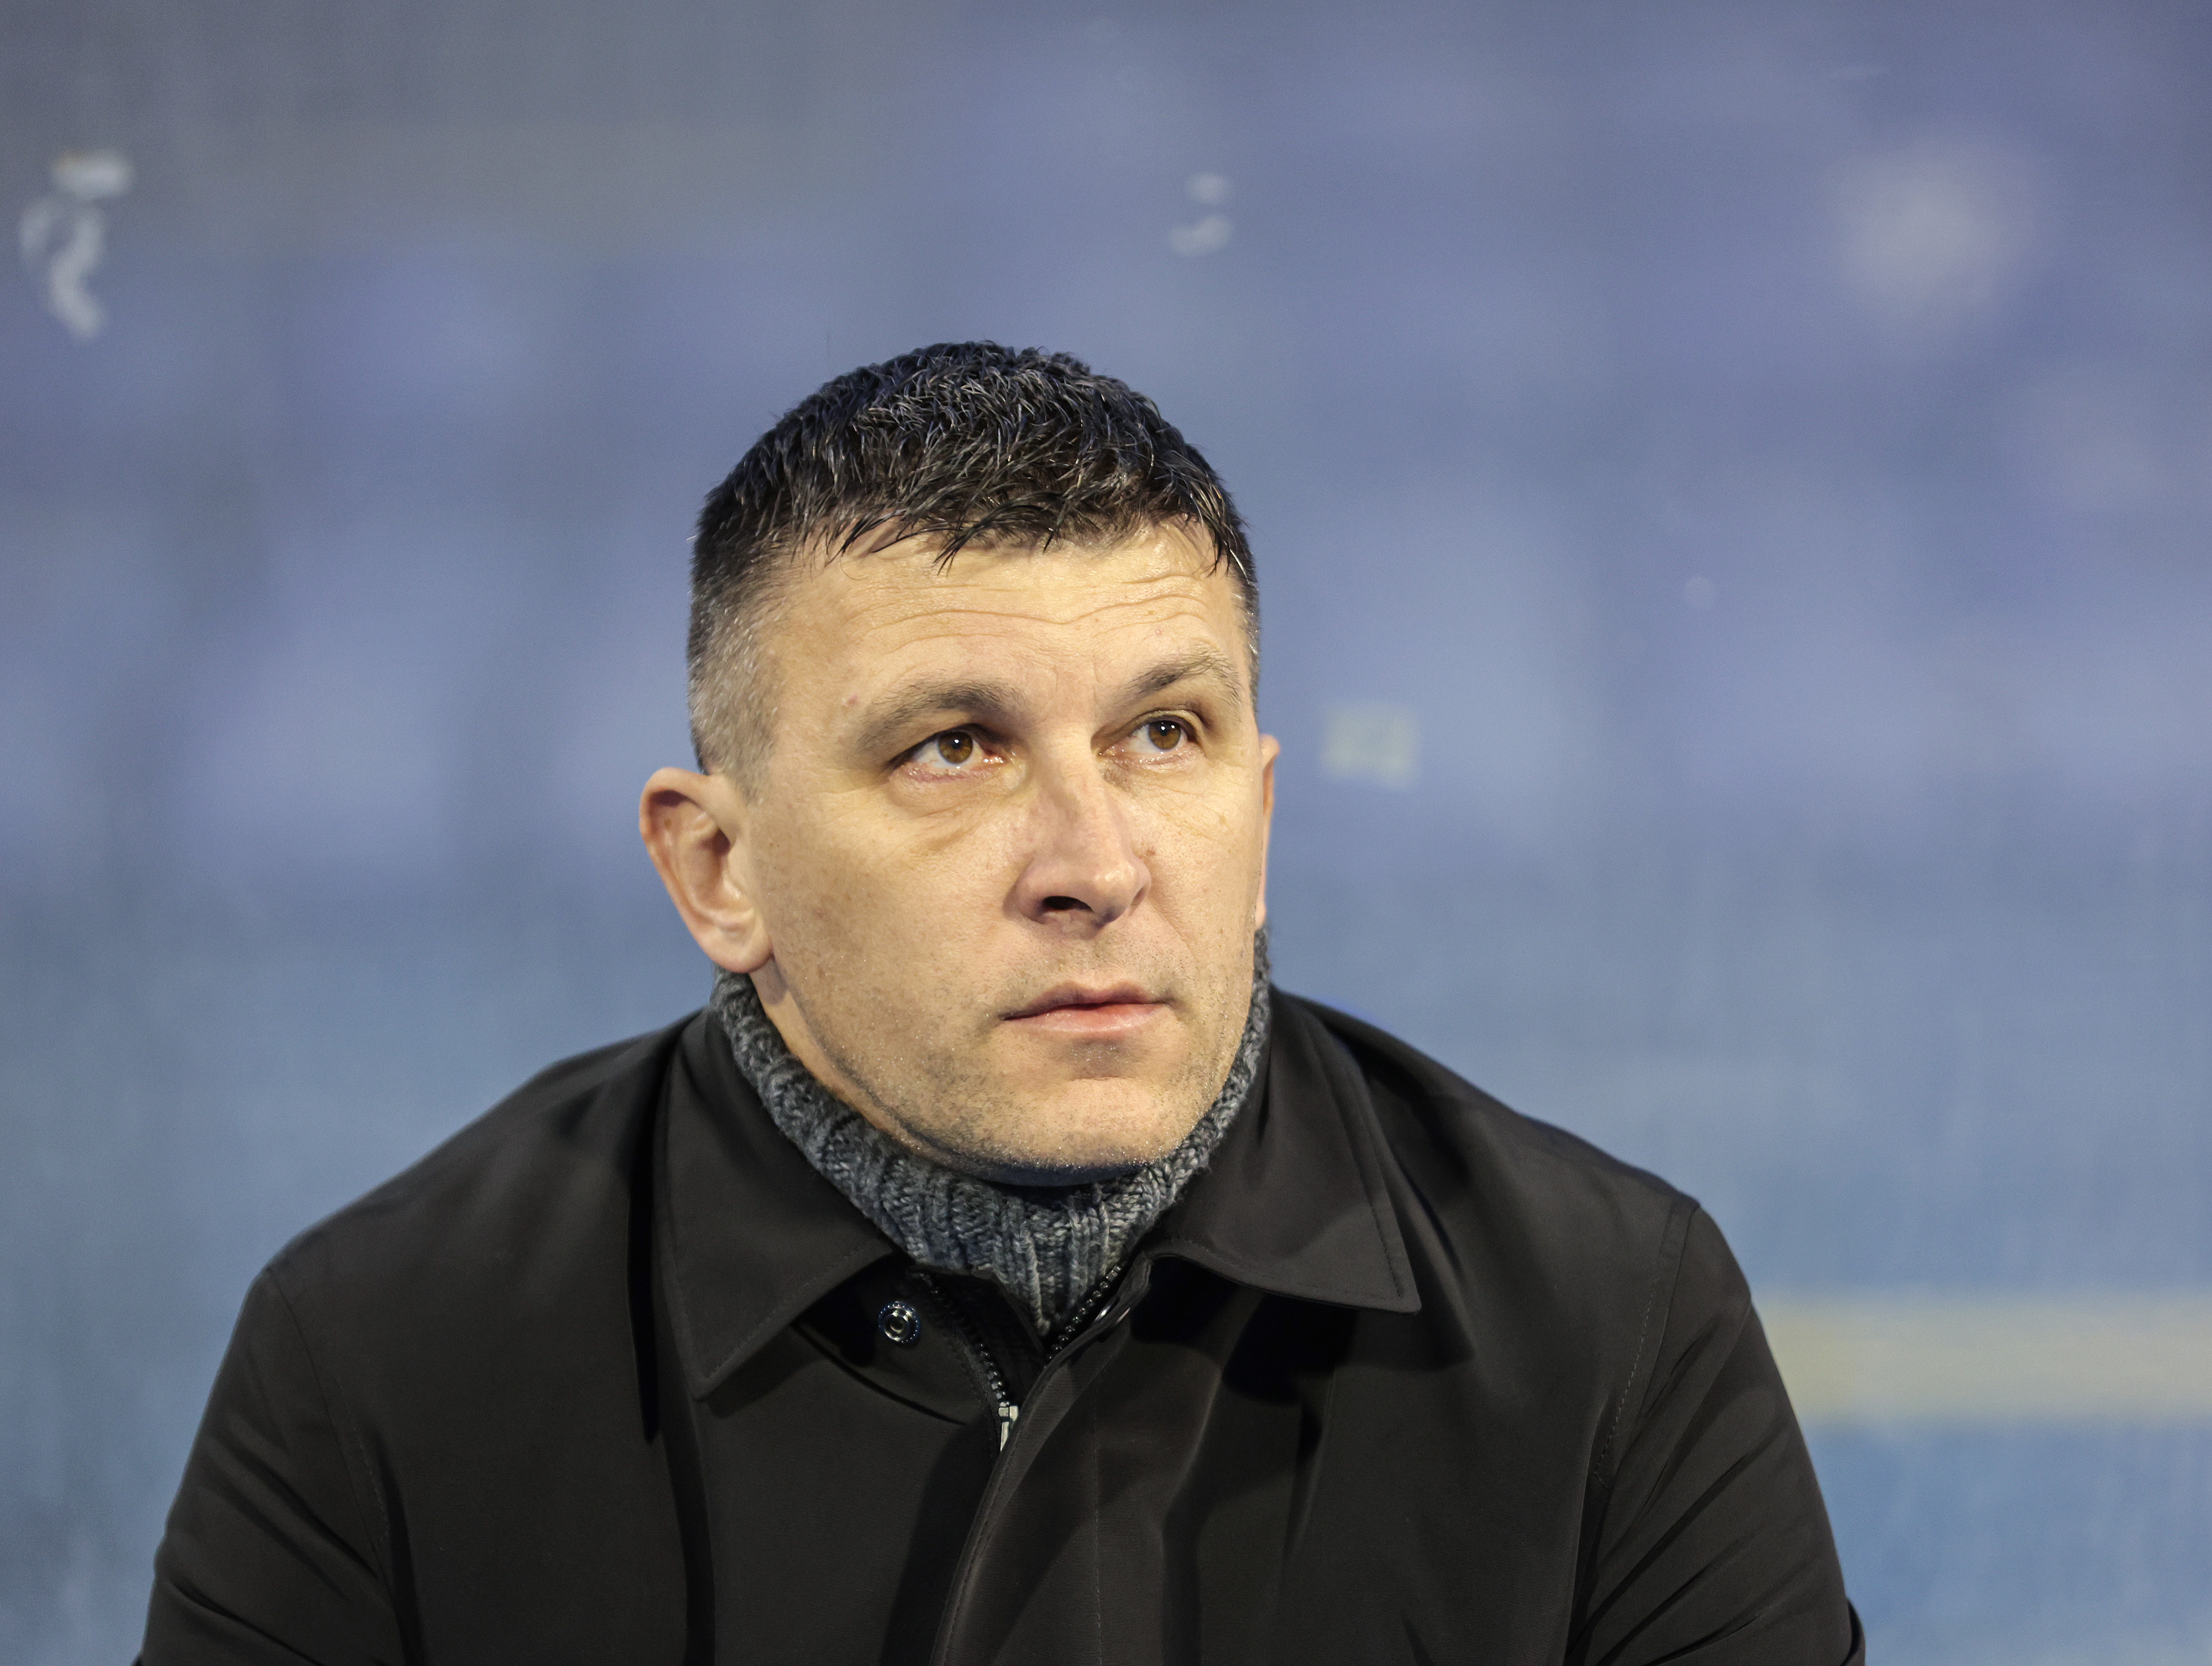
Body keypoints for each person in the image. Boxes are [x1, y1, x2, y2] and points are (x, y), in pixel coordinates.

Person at [142, 343, 1861, 1665]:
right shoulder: (382, 1360)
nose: (1095, 863)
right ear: (718, 870)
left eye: (1165, 735)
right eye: (954, 748)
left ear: (1261, 818)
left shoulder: (1615, 1322)